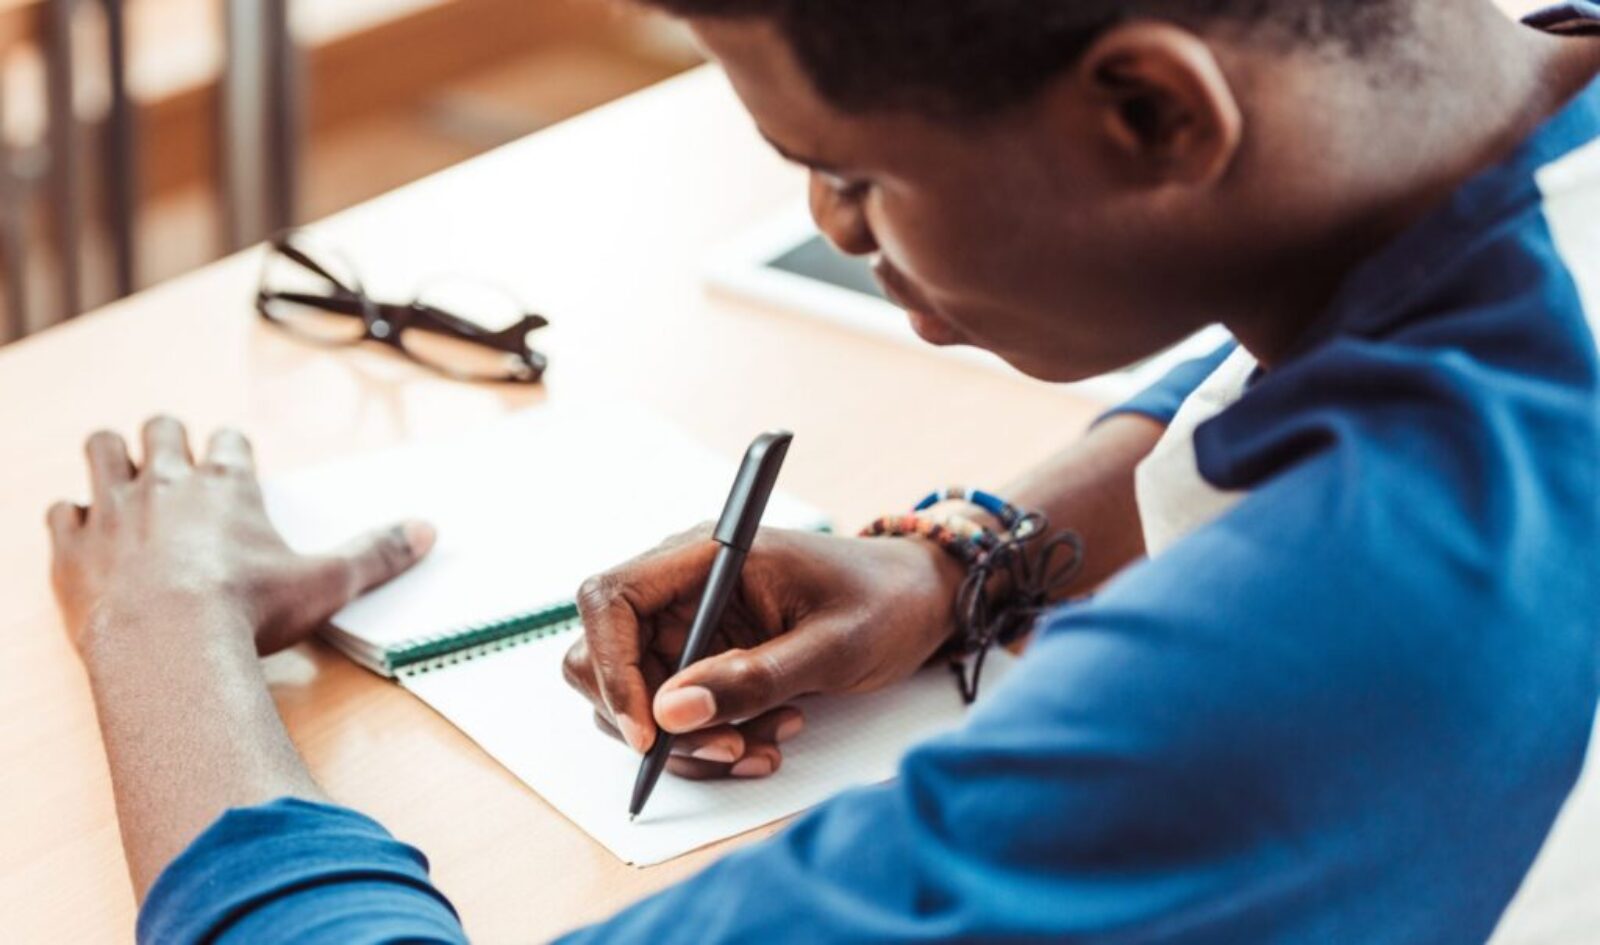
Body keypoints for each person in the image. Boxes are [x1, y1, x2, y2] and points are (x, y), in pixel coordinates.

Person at [47, 1, 1600, 943]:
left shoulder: (1345, 630)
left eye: (855, 170)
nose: (838, 227)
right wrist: (963, 560)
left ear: (1151, 111)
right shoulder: (1505, 97)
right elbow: (1343, 338)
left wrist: (165, 624)